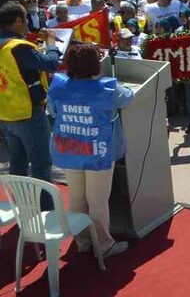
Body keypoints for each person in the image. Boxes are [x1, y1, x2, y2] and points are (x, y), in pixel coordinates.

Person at [47, 43, 134, 258]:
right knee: (97, 200)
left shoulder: (58, 86)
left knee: (76, 196)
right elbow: (129, 96)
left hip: (70, 149)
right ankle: (104, 245)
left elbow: (51, 109)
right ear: (96, 65)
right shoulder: (108, 89)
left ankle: (82, 240)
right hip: (98, 152)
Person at [0, 1, 61, 196]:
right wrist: (51, 44)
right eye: (25, 18)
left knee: (17, 162)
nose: (27, 22)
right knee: (41, 163)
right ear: (17, 20)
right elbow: (51, 64)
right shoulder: (18, 47)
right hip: (28, 114)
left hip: (6, 114)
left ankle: (22, 206)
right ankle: (44, 212)